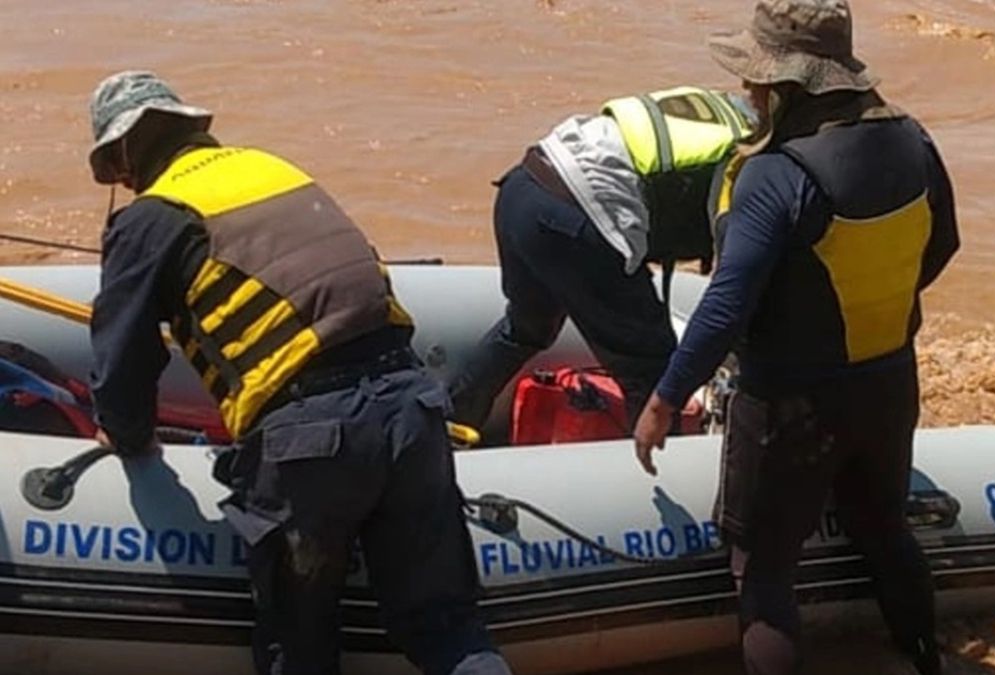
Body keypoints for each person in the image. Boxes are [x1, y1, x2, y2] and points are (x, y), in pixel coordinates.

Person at [85, 71, 511, 675]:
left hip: (309, 439)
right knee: (448, 628)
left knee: (298, 645)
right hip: (412, 405)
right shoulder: (272, 168)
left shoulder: (151, 217)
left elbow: (122, 355)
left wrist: (126, 435)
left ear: (124, 153)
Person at [632, 1, 960, 673]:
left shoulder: (776, 173)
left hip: (790, 404)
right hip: (890, 382)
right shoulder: (913, 140)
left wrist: (665, 398)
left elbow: (726, 304)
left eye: (755, 79)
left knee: (765, 571)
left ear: (784, 84)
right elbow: (943, 244)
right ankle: (927, 659)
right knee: (885, 529)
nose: (747, 92)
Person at [448, 86, 755, 433]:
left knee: (526, 329)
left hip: (523, 187)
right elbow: (735, 275)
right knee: (651, 369)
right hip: (575, 216)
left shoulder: (719, 111)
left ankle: (451, 420)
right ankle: (660, 477)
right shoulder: (748, 157)